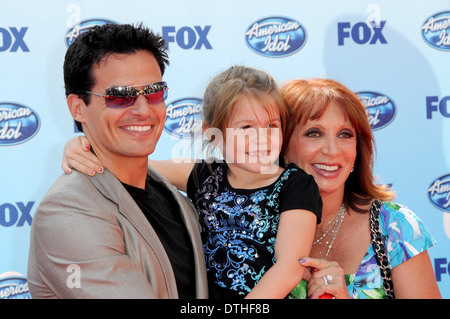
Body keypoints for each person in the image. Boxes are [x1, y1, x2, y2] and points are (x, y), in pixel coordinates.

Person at [61, 65, 323, 299]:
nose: (262, 139)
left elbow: (290, 267)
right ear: (213, 134)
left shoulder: (295, 185)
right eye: (246, 128)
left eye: (271, 126)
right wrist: (82, 145)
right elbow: (131, 165)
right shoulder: (204, 176)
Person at [27, 23, 208, 299]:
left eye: (154, 92)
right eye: (120, 96)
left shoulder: (176, 199)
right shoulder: (65, 211)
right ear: (78, 108)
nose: (143, 110)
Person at [281, 78, 441, 299]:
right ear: (282, 146)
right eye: (314, 133)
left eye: (345, 134)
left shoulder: (395, 227)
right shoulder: (249, 228)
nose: (332, 149)